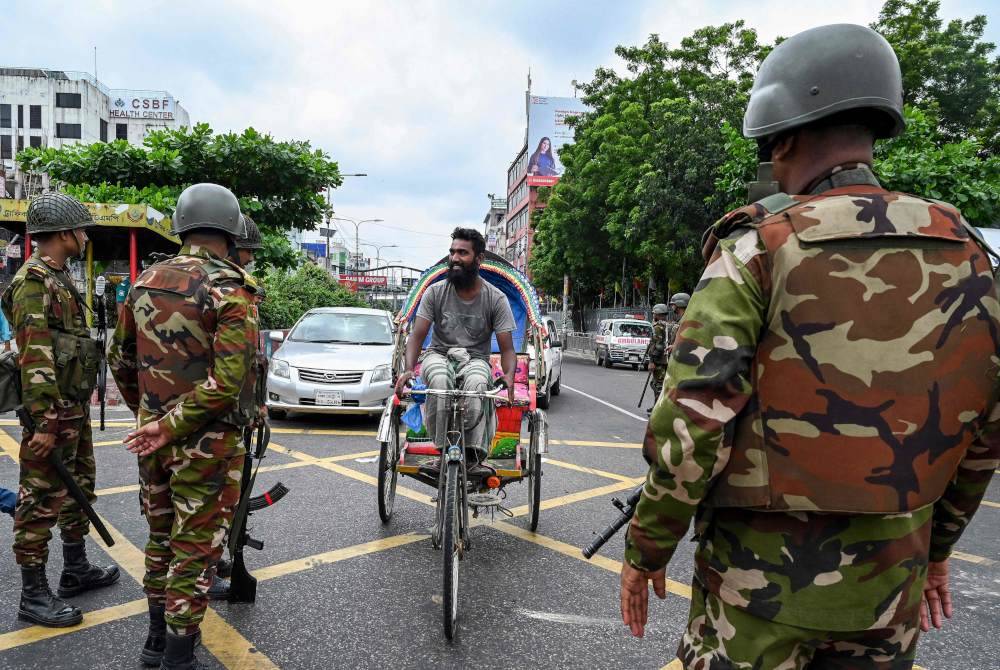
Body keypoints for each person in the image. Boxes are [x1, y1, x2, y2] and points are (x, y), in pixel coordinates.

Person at [619, 24, 1000, 669]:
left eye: (769, 149)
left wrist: (646, 551)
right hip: (889, 594)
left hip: (755, 597)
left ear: (784, 136)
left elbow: (691, 427)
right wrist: (935, 553)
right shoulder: (970, 256)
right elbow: (985, 431)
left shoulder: (759, 249)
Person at [108, 183, 259, 669]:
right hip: (208, 444)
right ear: (231, 231)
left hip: (153, 439)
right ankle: (177, 655)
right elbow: (228, 381)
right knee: (194, 551)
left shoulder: (146, 279)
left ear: (183, 226)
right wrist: (172, 425)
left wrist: (150, 418)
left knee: (160, 538)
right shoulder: (229, 287)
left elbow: (119, 358)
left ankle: (156, 641)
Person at [2, 192, 120, 628]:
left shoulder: (58, 277)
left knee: (78, 488)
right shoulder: (33, 282)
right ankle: (33, 595)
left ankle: (74, 569)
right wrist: (45, 421)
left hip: (71, 409)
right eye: (82, 229)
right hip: (52, 413)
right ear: (65, 233)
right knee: (39, 500)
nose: (86, 236)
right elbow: (35, 357)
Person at [394, 228, 516, 471]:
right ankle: (442, 449)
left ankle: (472, 455)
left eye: (463, 252)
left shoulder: (496, 298)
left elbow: (507, 348)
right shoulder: (435, 292)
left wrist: (509, 376)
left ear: (478, 259)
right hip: (438, 354)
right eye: (452, 252)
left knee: (479, 385)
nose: (455, 258)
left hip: (476, 358)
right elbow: (417, 336)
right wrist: (408, 370)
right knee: (438, 381)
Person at [206, 213, 267, 603]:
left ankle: (212, 562)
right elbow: (232, 369)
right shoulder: (228, 290)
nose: (249, 260)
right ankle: (205, 572)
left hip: (221, 414)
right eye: (247, 252)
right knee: (208, 510)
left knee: (209, 509)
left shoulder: (155, 280)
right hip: (218, 420)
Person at [644, 304, 669, 414]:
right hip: (666, 360)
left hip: (659, 361)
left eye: (654, 313)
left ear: (658, 314)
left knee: (657, 385)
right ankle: (656, 406)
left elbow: (658, 345)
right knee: (658, 384)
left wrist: (652, 361)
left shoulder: (658, 327)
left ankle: (658, 409)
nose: (653, 315)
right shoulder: (667, 325)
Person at [664, 292, 688, 357]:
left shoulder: (686, 320)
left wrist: (675, 346)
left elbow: (688, 340)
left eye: (673, 304)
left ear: (679, 304)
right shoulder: (681, 319)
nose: (672, 307)